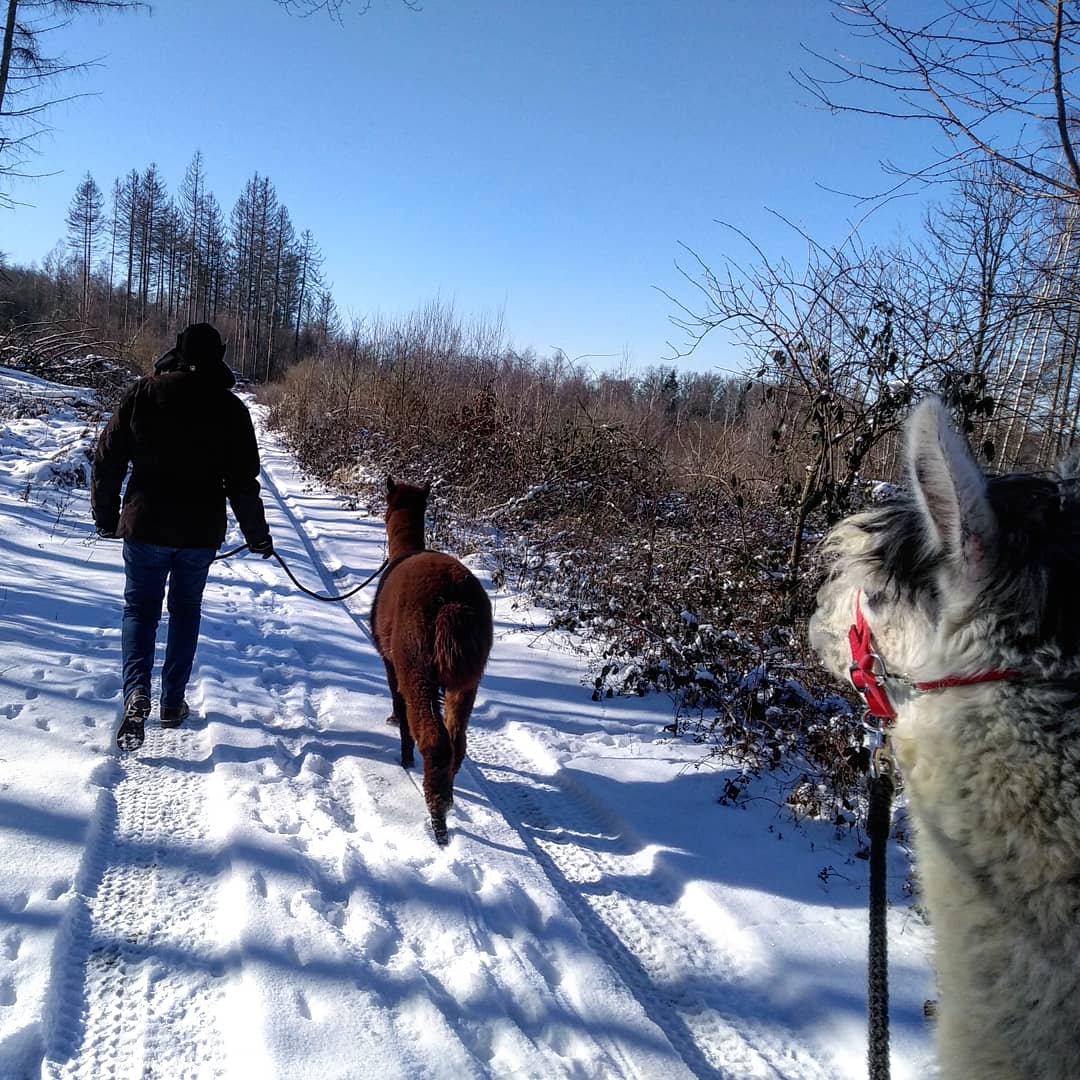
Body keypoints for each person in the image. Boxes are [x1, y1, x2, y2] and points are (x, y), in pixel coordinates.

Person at [91, 323, 273, 752]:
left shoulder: (143, 394)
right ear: (219, 354)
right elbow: (243, 483)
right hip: (198, 532)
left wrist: (107, 516)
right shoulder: (231, 408)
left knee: (140, 610)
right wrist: (257, 535)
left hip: (145, 524)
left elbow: (108, 457)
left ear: (177, 350)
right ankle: (172, 702)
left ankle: (137, 691)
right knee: (185, 610)